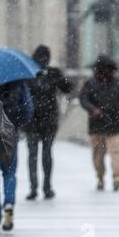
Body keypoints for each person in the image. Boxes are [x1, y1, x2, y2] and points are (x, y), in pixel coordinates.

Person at [0, 81, 33, 233]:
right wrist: (17, 124)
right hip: (10, 131)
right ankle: (9, 204)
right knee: (9, 172)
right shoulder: (18, 83)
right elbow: (28, 108)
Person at [79, 55, 119, 192]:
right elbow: (83, 99)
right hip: (98, 125)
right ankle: (100, 177)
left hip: (113, 125)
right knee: (98, 155)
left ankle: (116, 177)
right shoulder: (91, 84)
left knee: (115, 152)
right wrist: (93, 110)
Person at [25, 45, 74, 200]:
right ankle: (46, 187)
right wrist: (57, 78)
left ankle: (34, 188)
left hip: (33, 119)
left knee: (33, 154)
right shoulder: (52, 73)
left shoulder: (28, 72)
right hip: (48, 120)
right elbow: (68, 88)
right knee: (46, 153)